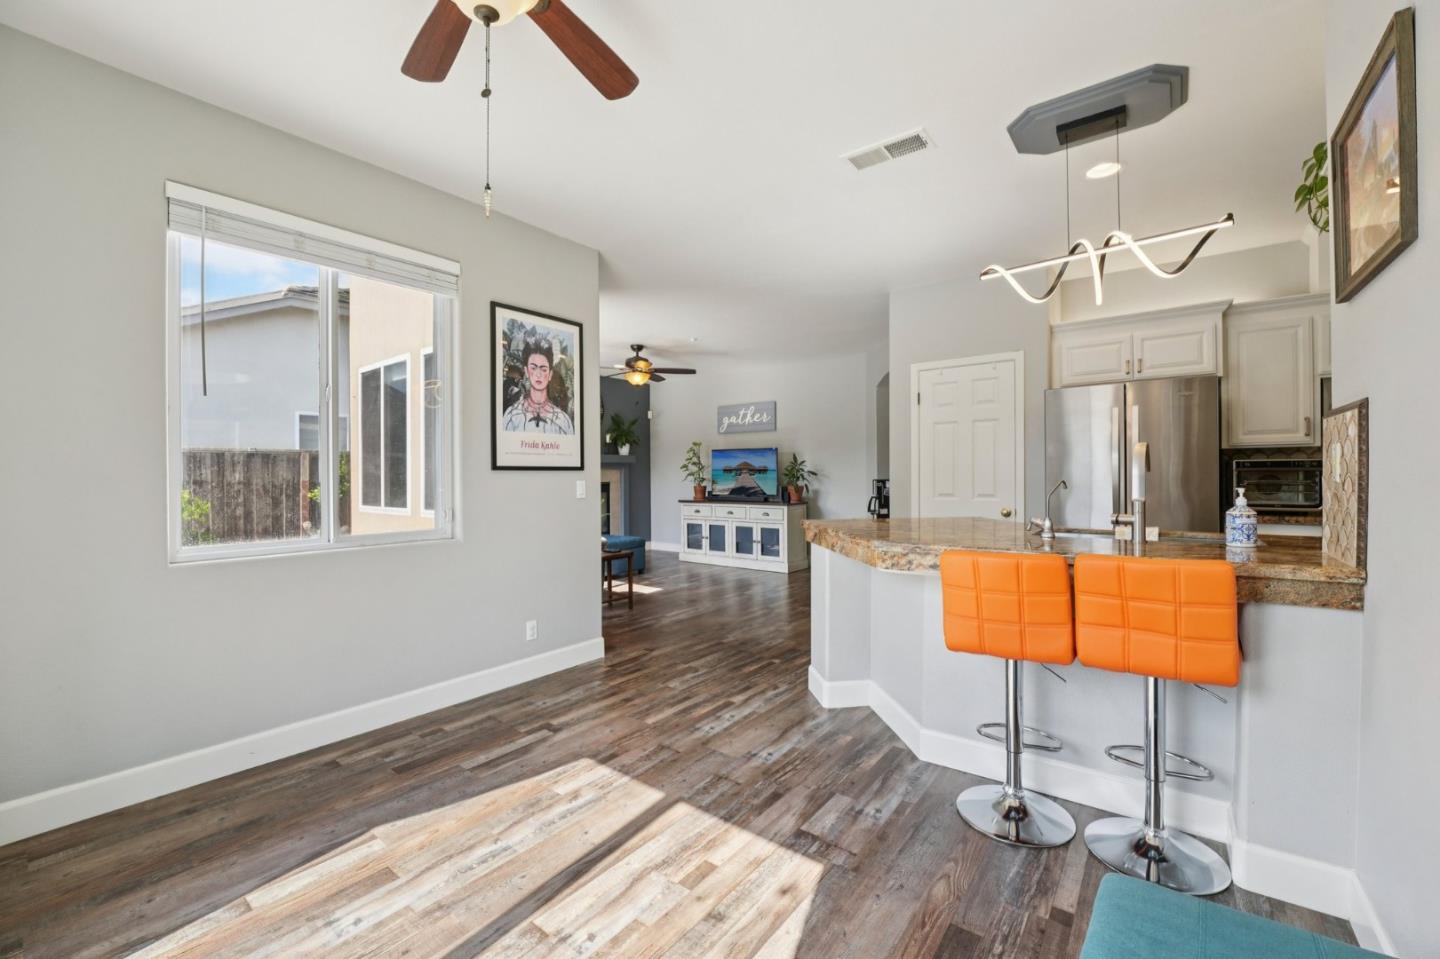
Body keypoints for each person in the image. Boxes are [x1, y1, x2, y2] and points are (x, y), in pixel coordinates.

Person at [502, 337, 575, 434]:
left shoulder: (563, 421)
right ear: (527, 371)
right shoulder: (512, 416)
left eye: (543, 369)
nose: (538, 374)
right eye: (533, 368)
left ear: (550, 374)